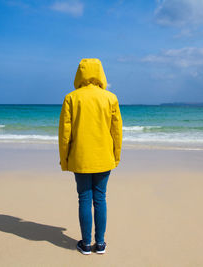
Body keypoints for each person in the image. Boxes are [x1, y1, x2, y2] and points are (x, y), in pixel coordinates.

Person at [58, 58, 123, 255]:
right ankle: (100, 244)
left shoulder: (71, 97)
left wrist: (65, 159)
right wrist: (116, 156)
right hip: (104, 157)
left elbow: (64, 134)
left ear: (80, 74)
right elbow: (117, 132)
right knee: (100, 198)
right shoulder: (110, 98)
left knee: (84, 198)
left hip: (80, 157)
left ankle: (86, 244)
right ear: (101, 73)